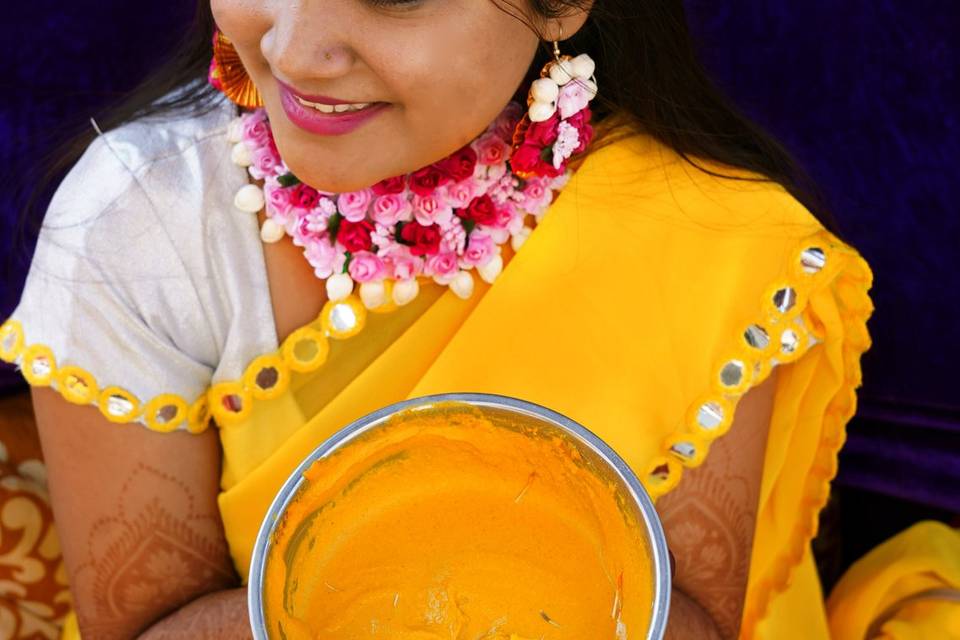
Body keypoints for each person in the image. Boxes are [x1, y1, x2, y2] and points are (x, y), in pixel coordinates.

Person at [0, 1, 880, 638]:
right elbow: (149, 627)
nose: (296, 48)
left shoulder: (711, 245)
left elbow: (677, 623)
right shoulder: (140, 223)